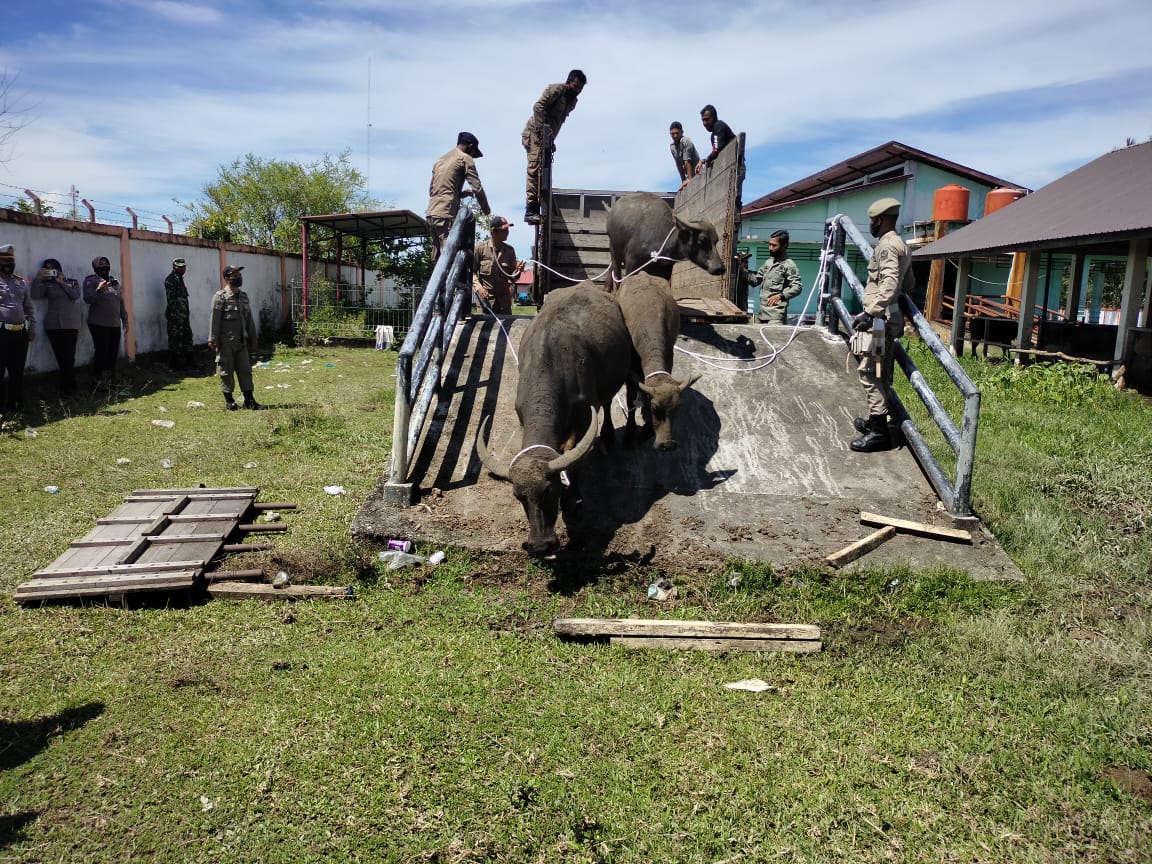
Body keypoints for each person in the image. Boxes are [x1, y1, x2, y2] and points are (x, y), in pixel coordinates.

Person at [849, 197, 912, 453]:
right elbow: (908, 284)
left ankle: (878, 432)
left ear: (879, 220)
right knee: (880, 372)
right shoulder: (901, 244)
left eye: (872, 221)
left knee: (870, 373)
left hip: (878, 323)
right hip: (887, 320)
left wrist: (870, 312)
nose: (871, 226)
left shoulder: (887, 247)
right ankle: (878, 422)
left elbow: (890, 283)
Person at [521, 69, 586, 224]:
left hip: (547, 138)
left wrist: (551, 140)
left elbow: (559, 121)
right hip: (534, 133)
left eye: (580, 88)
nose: (577, 90)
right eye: (576, 86)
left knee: (544, 172)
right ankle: (531, 209)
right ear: (568, 82)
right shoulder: (556, 89)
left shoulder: (572, 101)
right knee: (535, 167)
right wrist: (542, 134)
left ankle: (539, 206)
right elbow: (538, 108)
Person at [427, 132, 491, 261]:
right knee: (448, 256)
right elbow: (476, 187)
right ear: (470, 146)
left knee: (437, 258)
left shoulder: (440, 160)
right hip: (446, 213)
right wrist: (486, 209)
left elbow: (432, 190)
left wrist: (459, 194)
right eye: (473, 152)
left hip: (432, 212)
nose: (472, 155)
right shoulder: (465, 158)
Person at [209, 265, 262, 410]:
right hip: (226, 343)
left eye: (239, 274)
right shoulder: (220, 297)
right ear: (226, 278)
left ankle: (249, 401)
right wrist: (213, 339)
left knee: (245, 371)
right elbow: (215, 320)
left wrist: (253, 337)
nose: (238, 277)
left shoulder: (243, 297)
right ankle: (229, 401)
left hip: (241, 342)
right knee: (226, 371)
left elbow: (249, 319)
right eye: (235, 275)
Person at [30, 257, 81, 396]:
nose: (50, 270)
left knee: (69, 358)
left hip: (70, 325)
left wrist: (62, 283)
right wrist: (38, 278)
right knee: (61, 358)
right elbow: (35, 295)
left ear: (59, 269)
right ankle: (67, 389)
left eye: (52, 267)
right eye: (47, 268)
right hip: (53, 325)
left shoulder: (71, 281)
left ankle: (70, 388)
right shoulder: (46, 284)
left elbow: (75, 296)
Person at [0, 244, 35, 414]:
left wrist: (32, 328)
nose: (9, 263)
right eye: (6, 260)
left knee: (17, 372)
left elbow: (28, 307)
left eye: (11, 260)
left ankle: (15, 406)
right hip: (1, 333)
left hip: (20, 333)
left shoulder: (20, 282)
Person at [82, 255, 127, 386]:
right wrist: (99, 290)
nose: (104, 266)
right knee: (102, 351)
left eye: (106, 263)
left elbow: (120, 302)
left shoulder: (114, 282)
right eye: (100, 264)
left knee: (113, 352)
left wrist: (125, 320)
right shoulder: (90, 281)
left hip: (114, 323)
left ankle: (111, 378)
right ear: (95, 266)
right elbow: (88, 299)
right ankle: (98, 379)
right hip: (98, 323)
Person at [747, 230, 802, 325]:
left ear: (784, 246)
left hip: (776, 317)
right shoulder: (768, 262)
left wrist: (781, 295)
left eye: (774, 245)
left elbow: (797, 287)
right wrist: (740, 268)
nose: (770, 248)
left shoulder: (789, 265)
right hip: (761, 314)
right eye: (770, 244)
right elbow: (755, 281)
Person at [473, 216, 525, 316]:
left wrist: (518, 271)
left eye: (508, 230)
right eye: (504, 230)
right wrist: (479, 288)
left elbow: (512, 278)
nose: (507, 232)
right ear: (493, 231)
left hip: (504, 305)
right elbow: (471, 272)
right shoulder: (480, 248)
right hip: (485, 303)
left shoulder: (510, 251)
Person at [164, 257, 194, 370]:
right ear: (174, 266)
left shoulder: (180, 279)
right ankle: (174, 364)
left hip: (184, 314)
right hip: (175, 315)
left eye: (183, 266)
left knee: (187, 336)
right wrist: (177, 316)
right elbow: (172, 300)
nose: (182, 268)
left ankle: (189, 361)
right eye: (179, 266)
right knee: (175, 338)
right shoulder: (170, 280)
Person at [699, 104, 735, 169]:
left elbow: (716, 149)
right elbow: (716, 153)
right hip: (727, 164)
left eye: (707, 119)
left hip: (732, 163)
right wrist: (705, 160)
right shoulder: (713, 135)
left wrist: (708, 159)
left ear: (714, 117)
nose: (704, 123)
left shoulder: (718, 126)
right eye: (703, 120)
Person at [669, 121, 699, 188]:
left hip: (697, 174)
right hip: (687, 176)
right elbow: (678, 165)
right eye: (673, 134)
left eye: (677, 133)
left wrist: (689, 180)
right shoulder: (672, 147)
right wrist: (683, 181)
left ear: (682, 132)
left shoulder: (685, 141)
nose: (675, 136)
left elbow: (687, 161)